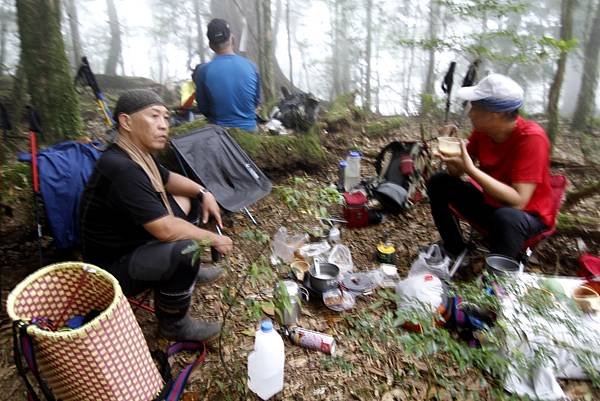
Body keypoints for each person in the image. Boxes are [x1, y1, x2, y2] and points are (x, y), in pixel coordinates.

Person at [80, 89, 234, 342]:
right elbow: (165, 229)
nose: (164, 125)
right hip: (110, 269)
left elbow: (169, 180)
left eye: (166, 117)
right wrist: (212, 239)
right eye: (154, 117)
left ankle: (189, 272)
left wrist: (203, 192)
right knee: (186, 250)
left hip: (134, 238)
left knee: (191, 200)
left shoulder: (138, 156)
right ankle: (173, 324)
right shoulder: (121, 168)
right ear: (126, 122)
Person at [427, 74, 554, 260]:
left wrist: (471, 170)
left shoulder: (532, 138)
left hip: (526, 216)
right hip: (492, 204)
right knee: (439, 182)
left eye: (475, 108)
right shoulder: (483, 132)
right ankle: (455, 249)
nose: (470, 113)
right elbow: (457, 172)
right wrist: (450, 148)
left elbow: (519, 201)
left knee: (507, 217)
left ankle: (496, 278)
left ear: (497, 114)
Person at [193, 18, 261, 131]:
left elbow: (203, 108)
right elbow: (255, 102)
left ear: (210, 45)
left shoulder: (203, 71)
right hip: (250, 129)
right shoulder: (252, 67)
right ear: (232, 39)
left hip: (220, 133)